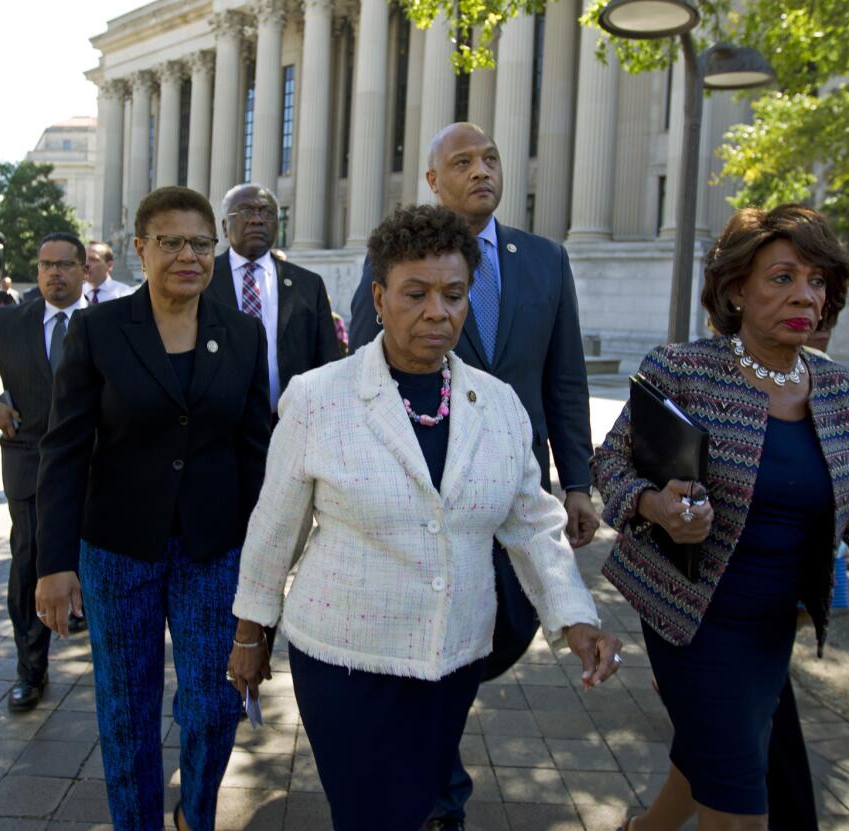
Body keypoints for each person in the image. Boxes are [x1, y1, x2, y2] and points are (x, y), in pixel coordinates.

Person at [593, 204, 849, 830]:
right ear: (736, 290)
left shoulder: (839, 389)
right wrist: (654, 506)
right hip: (692, 616)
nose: (804, 295)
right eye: (782, 277)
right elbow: (612, 467)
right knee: (738, 795)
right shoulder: (683, 369)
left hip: (773, 625)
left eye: (817, 280)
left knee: (710, 756)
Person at [231, 204, 622, 831]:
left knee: (418, 804)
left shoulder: (497, 405)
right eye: (416, 294)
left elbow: (533, 525)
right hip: (344, 658)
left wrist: (574, 618)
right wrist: (251, 635)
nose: (437, 312)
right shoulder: (318, 397)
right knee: (371, 815)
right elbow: (274, 531)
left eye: (453, 294)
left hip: (454, 655)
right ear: (380, 299)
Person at [349, 122, 598, 828]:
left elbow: (566, 379)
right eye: (462, 161)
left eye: (490, 157)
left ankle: (430, 764)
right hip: (416, 487)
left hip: (507, 493)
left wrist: (576, 482)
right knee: (430, 638)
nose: (482, 169)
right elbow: (360, 371)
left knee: (493, 633)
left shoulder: (545, 260)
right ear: (433, 180)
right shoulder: (392, 254)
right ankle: (438, 788)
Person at [33, 186, 271, 830]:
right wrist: (53, 564)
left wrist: (265, 573)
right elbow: (63, 451)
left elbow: (257, 455)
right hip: (117, 550)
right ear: (140, 249)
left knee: (213, 704)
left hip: (213, 550)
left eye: (200, 243)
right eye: (171, 243)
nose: (188, 256)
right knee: (126, 707)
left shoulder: (243, 335)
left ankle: (195, 813)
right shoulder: (99, 330)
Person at [0, 233, 89, 711]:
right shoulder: (10, 320)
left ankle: (114, 672)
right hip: (30, 463)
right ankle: (31, 671)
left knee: (100, 566)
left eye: (65, 265)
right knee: (29, 566)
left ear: (83, 271)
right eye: (46, 265)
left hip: (98, 467)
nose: (54, 274)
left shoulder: (107, 321)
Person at [208, 184, 340, 421]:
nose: (257, 220)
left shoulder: (309, 285)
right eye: (246, 211)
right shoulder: (203, 282)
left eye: (267, 213)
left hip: (292, 424)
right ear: (225, 226)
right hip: (219, 429)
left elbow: (328, 363)